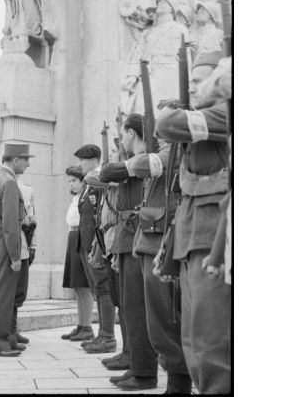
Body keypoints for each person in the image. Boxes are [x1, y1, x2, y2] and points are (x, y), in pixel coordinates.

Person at [154, 50, 230, 394]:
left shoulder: (225, 113)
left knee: (212, 340)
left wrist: (181, 108)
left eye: (201, 81)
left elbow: (167, 124)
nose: (194, 89)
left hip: (212, 234)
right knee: (193, 338)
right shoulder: (204, 115)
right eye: (193, 82)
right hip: (190, 234)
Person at [102, 114, 192, 393]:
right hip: (148, 237)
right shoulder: (163, 151)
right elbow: (107, 174)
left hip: (162, 239)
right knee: (154, 319)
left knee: (166, 319)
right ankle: (159, 376)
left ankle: (174, 382)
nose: (159, 128)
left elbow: (149, 164)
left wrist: (128, 163)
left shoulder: (174, 152)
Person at [0, 143, 33, 357]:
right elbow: (11, 223)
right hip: (3, 238)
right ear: (15, 160)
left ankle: (7, 339)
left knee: (1, 292)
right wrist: (15, 256)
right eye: (26, 159)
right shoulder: (10, 182)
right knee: (2, 294)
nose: (28, 164)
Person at [74, 144, 117, 354]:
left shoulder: (99, 179)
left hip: (97, 244)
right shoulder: (88, 184)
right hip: (86, 242)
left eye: (82, 160)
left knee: (103, 288)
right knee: (96, 289)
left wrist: (95, 246)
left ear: (93, 160)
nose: (79, 164)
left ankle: (108, 336)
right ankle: (102, 334)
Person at [60, 166, 95, 342]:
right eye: (70, 181)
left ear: (82, 181)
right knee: (77, 286)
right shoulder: (75, 198)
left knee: (84, 284)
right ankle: (81, 325)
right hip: (73, 236)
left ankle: (87, 326)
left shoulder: (86, 197)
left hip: (81, 236)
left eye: (74, 180)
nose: (71, 184)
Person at [12, 176, 37, 345]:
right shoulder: (2, 185)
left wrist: (33, 245)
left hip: (24, 246)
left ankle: (13, 328)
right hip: (9, 247)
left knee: (20, 291)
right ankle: (7, 329)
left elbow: (33, 219)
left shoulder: (28, 190)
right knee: (9, 292)